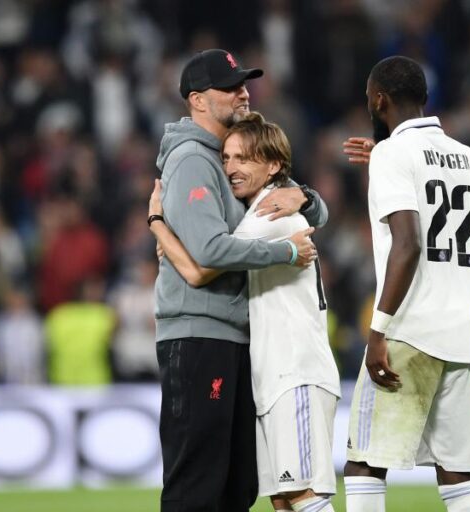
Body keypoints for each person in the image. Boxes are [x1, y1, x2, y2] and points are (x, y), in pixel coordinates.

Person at [153, 49, 327, 512]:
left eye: (242, 82)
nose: (242, 91)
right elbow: (207, 254)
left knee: (236, 486)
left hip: (234, 338)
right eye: (229, 86)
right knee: (198, 485)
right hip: (199, 335)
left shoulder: (234, 160)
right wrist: (285, 251)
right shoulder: (193, 160)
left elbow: (307, 207)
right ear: (198, 100)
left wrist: (304, 197)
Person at [343, 55, 470, 512]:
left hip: (410, 327)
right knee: (456, 473)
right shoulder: (469, 157)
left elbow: (408, 244)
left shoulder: (390, 154)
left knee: (364, 462)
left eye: (370, 99)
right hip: (461, 331)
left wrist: (377, 330)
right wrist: (384, 160)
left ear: (379, 99)